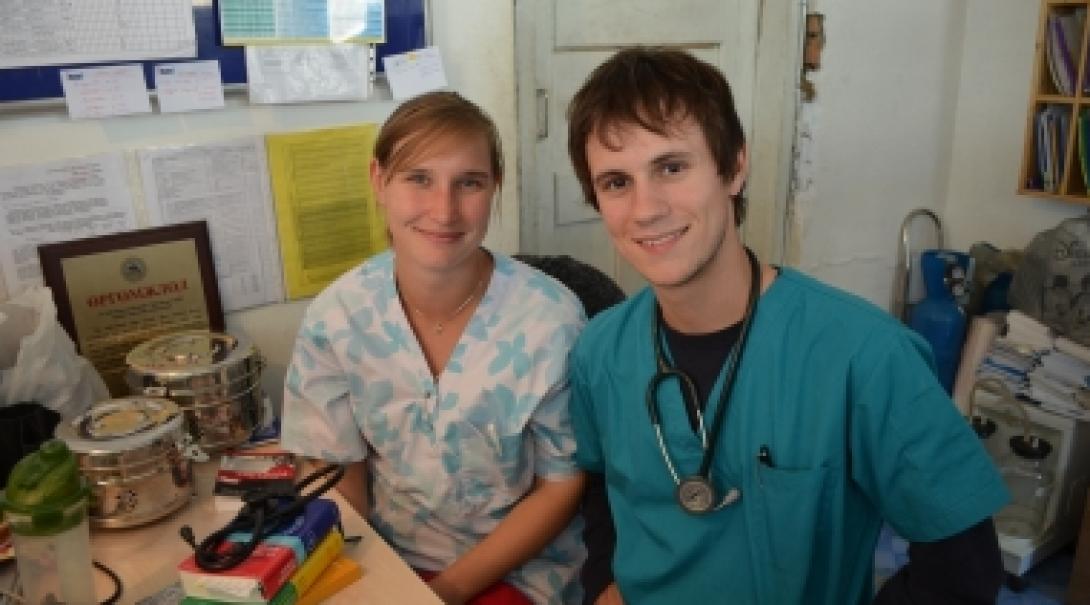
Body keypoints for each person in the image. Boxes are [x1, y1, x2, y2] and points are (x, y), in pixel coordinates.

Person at [564, 47, 1009, 604]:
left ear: (734, 167)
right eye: (615, 183)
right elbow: (605, 487)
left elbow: (961, 569)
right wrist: (605, 582)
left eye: (671, 167)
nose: (645, 208)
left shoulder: (865, 355)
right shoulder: (600, 352)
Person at [280, 91, 586, 605]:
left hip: (521, 569)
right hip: (389, 555)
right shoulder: (337, 317)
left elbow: (562, 484)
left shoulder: (550, 321)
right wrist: (364, 576)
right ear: (379, 181)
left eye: (469, 183)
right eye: (418, 179)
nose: (444, 210)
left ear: (495, 189)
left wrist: (446, 591)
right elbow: (337, 472)